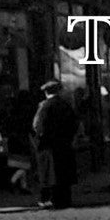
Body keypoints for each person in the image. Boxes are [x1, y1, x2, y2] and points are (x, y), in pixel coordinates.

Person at [31, 80, 78, 210]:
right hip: (64, 145)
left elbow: (38, 126)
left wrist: (38, 140)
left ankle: (51, 199)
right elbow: (74, 124)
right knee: (63, 174)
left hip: (48, 146)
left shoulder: (45, 106)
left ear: (46, 92)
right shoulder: (65, 105)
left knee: (49, 174)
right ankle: (65, 199)